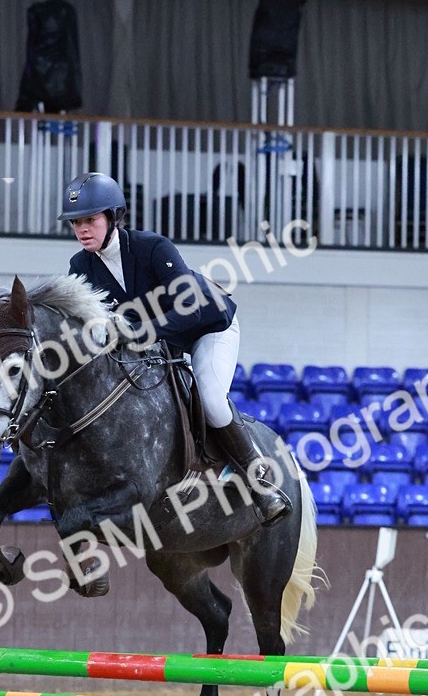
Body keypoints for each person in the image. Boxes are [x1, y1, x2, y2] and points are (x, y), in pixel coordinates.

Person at [59, 172, 291, 526]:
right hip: (162, 342)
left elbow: (191, 311)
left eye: (90, 219)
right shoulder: (80, 267)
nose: (82, 229)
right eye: (76, 222)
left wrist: (137, 331)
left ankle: (260, 483)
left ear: (113, 217)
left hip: (209, 328)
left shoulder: (153, 247)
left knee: (211, 398)